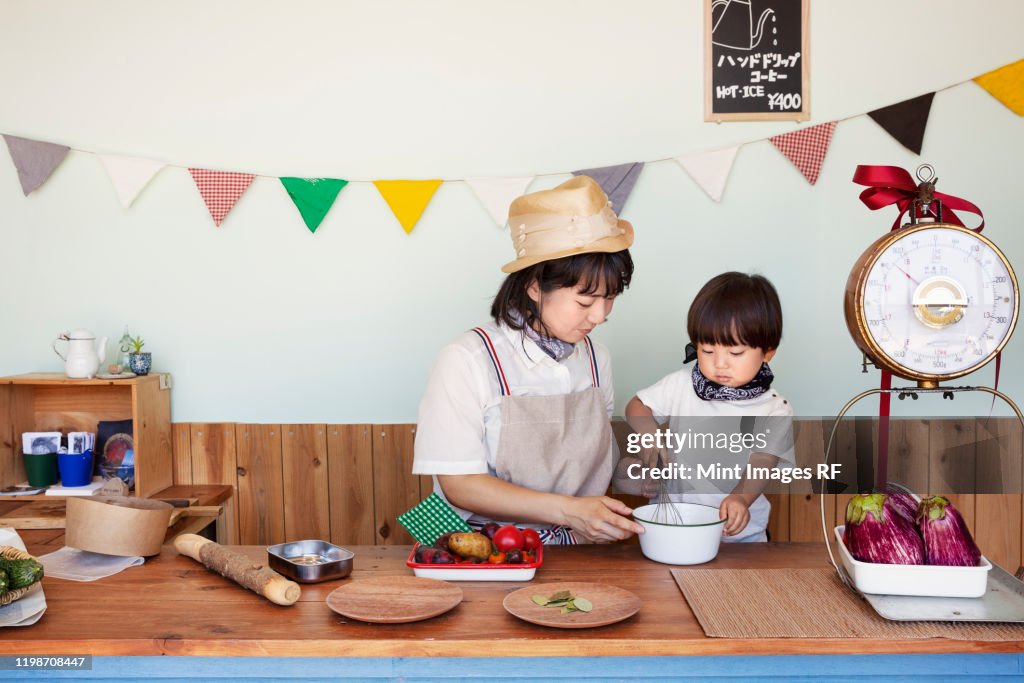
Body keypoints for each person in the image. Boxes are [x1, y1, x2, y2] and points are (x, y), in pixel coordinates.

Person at [412, 175, 644, 544]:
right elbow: (460, 486)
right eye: (585, 302)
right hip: (477, 549)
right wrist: (568, 509)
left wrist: (641, 471)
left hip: (577, 548)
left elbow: (583, 466)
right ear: (535, 286)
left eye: (610, 298)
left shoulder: (597, 360)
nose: (600, 316)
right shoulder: (467, 359)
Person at [621, 272, 794, 542]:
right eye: (707, 350)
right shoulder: (681, 385)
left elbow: (763, 462)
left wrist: (740, 498)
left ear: (768, 352)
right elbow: (637, 405)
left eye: (735, 353)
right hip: (674, 526)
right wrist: (648, 433)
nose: (720, 363)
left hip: (740, 538)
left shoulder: (774, 410)